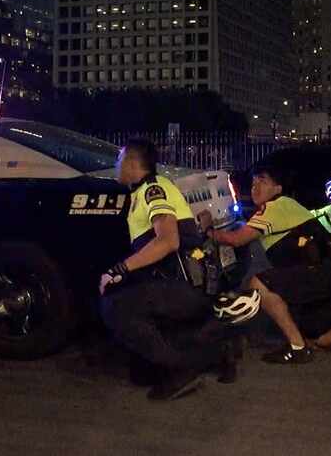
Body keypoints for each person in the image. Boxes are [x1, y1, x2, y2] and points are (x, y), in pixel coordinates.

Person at [99, 139, 259, 401]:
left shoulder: (153, 189)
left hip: (182, 285)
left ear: (131, 162)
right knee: (139, 368)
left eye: (119, 159)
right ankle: (218, 348)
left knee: (115, 306)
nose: (116, 165)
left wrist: (119, 270)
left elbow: (168, 240)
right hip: (183, 282)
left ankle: (182, 369)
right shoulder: (143, 191)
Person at [205, 165, 331, 364]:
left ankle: (297, 348)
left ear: (278, 188)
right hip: (329, 276)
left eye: (263, 181)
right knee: (317, 336)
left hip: (318, 275)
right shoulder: (286, 206)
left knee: (259, 283)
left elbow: (236, 239)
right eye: (254, 182)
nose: (255, 187)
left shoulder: (275, 206)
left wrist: (208, 229)